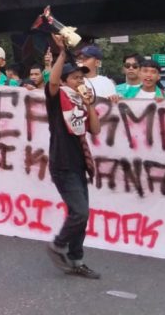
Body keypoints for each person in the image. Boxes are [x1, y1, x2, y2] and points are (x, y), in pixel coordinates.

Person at [44, 35, 101, 279]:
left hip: (79, 165)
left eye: (82, 78)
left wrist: (89, 105)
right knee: (80, 213)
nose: (81, 81)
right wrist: (62, 55)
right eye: (76, 77)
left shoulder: (79, 102)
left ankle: (77, 261)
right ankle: (58, 244)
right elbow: (53, 81)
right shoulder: (57, 99)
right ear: (66, 80)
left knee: (82, 215)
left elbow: (95, 129)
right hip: (63, 163)